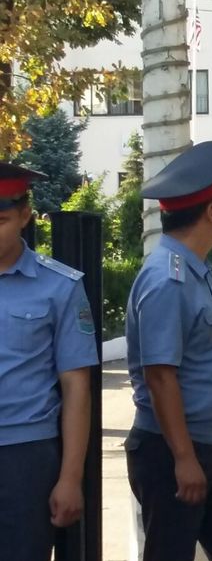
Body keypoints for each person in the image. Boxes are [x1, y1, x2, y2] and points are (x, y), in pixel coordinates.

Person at [125, 141, 212, 561]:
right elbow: (160, 375)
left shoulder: (194, 270)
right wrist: (183, 458)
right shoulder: (166, 280)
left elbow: (207, 357)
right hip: (170, 451)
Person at [0, 162, 99, 560]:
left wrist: (70, 478)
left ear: (25, 215)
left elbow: (77, 386)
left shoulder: (59, 286)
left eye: (1, 220)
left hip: (25, 455)